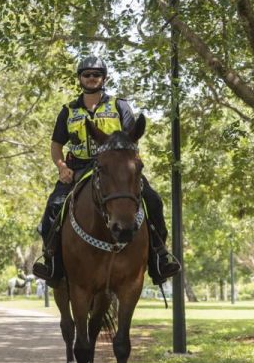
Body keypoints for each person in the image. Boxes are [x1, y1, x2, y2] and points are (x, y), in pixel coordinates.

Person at [32, 56, 181, 288]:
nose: (92, 78)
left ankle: (160, 256)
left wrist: (129, 167)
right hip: (79, 167)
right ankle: (51, 260)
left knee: (153, 201)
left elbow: (132, 139)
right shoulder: (68, 111)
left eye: (96, 75)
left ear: (104, 78)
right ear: (80, 78)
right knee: (53, 206)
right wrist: (62, 167)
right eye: (87, 74)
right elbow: (56, 146)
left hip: (116, 170)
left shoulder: (119, 106)